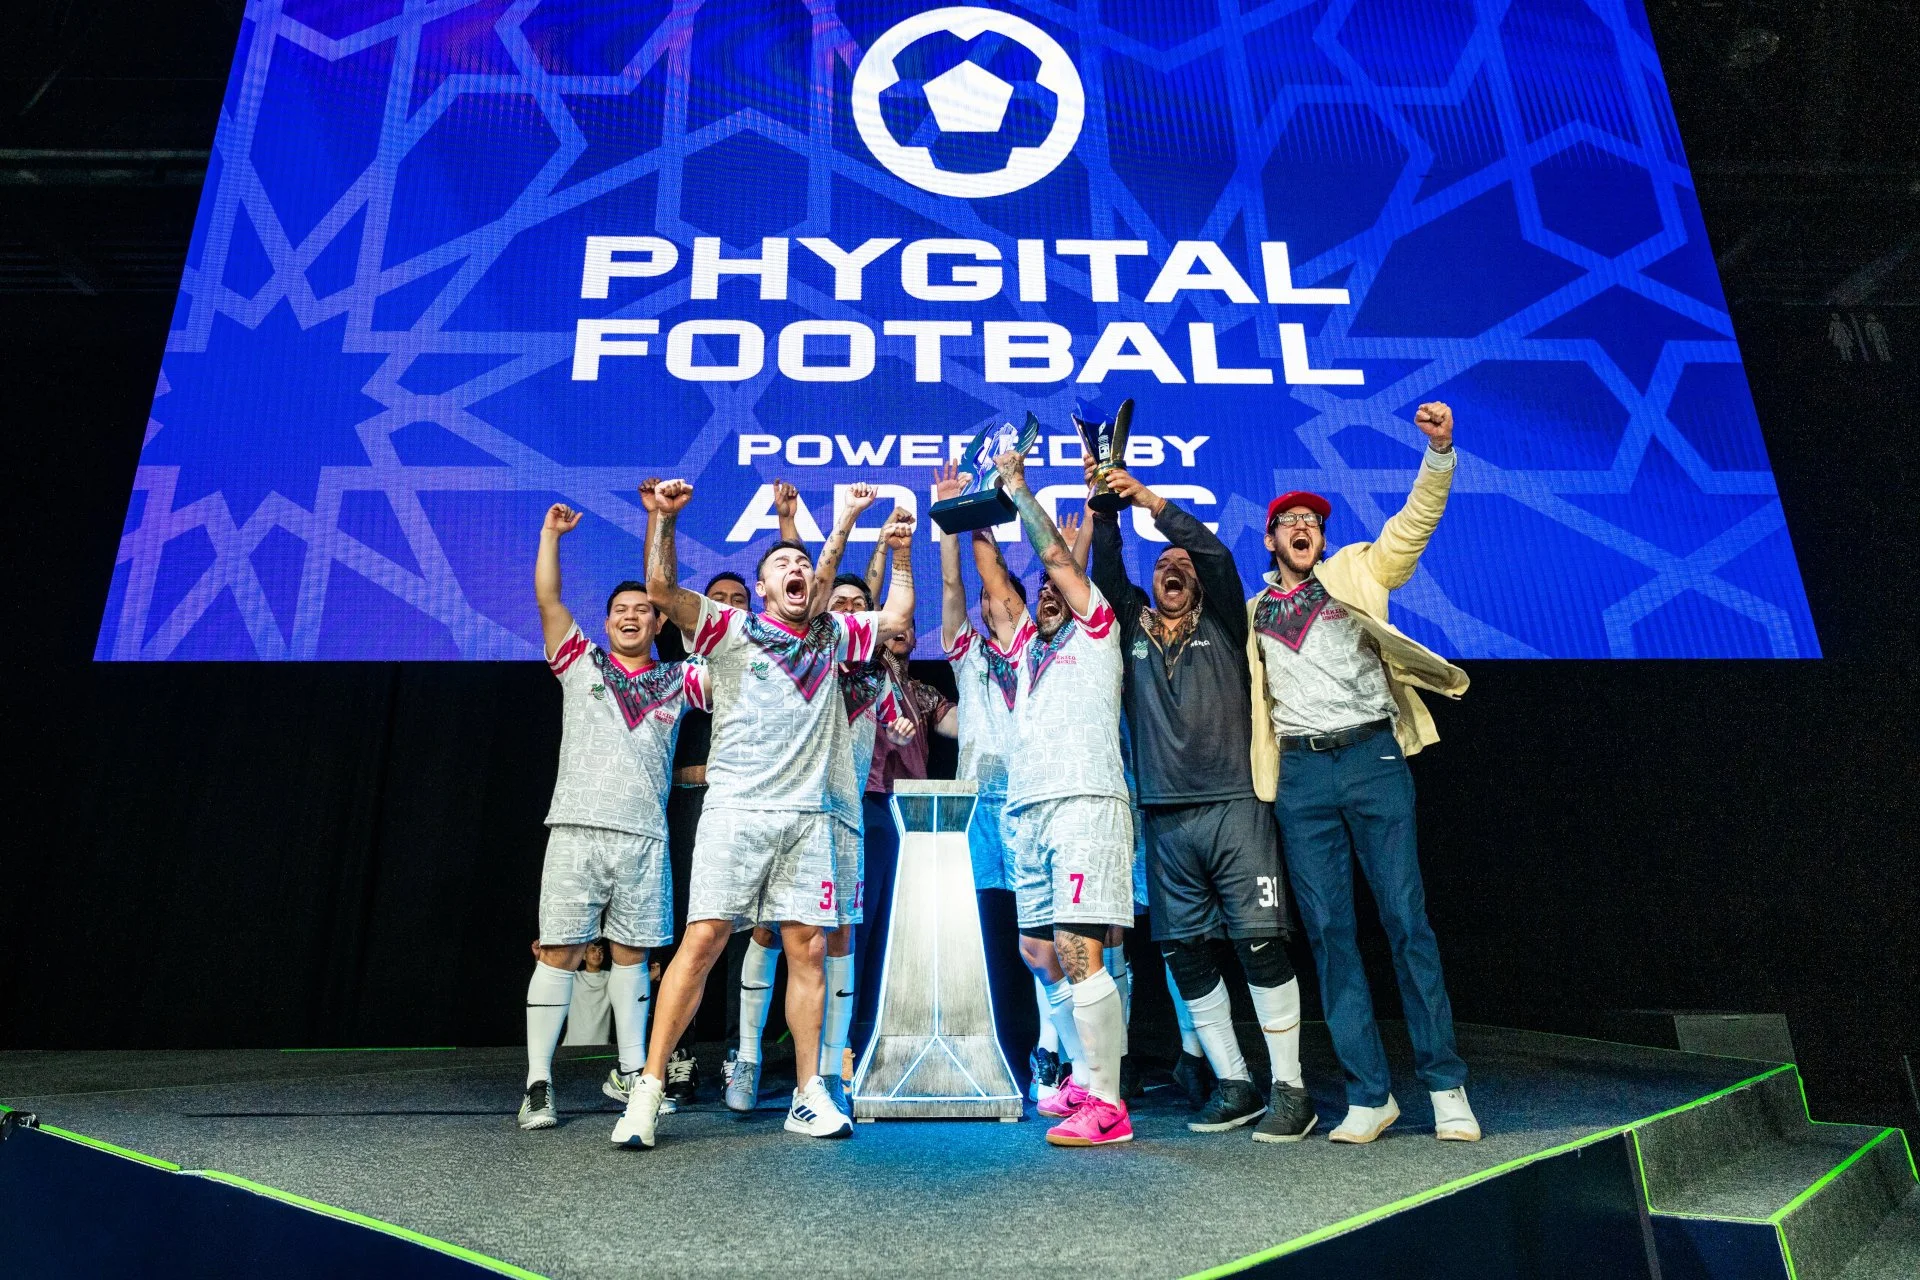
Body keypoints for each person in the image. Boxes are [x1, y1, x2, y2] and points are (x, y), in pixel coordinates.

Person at [613, 477, 915, 1148]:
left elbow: (896, 615)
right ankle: (649, 1089)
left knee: (809, 948)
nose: (796, 567)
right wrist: (664, 520)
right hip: (737, 813)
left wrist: (900, 550)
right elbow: (661, 590)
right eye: (783, 562)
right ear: (763, 587)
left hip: (808, 819)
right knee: (703, 943)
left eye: (802, 561)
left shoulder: (832, 636)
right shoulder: (732, 628)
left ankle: (808, 1093)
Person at [1248, 401, 1478, 1144]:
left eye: (1312, 521)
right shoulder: (1253, 612)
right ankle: (1370, 1095)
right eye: (1289, 521)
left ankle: (1445, 1086)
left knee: (1407, 921)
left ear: (1322, 536)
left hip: (1373, 758)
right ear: (1271, 539)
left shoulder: (1356, 571)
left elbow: (1413, 524)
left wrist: (1438, 454)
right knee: (1329, 933)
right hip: (1302, 776)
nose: (1303, 528)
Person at [1086, 462, 1316, 1143]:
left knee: (1258, 944)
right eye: (1163, 564)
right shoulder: (1130, 629)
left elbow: (1212, 553)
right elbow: (1107, 571)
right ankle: (1235, 1084)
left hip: (1234, 807)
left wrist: (1152, 504)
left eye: (1182, 565)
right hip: (1164, 815)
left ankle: (1292, 1090)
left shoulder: (1223, 620)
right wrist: (1105, 508)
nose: (1175, 567)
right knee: (1185, 952)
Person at [730, 498, 917, 1118]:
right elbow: (810, 584)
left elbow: (899, 728)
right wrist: (825, 529)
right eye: (839, 604)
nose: (849, 611)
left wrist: (895, 719)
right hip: (784, 808)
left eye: (859, 606)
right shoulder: (804, 653)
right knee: (766, 930)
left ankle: (832, 1070)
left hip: (843, 818)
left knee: (837, 938)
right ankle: (747, 1057)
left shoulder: (874, 677)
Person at [520, 504, 690, 1131]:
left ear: (658, 621)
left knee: (632, 957)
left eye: (643, 609)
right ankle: (538, 1083)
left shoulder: (680, 680)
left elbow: (681, 605)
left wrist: (661, 525)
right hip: (576, 829)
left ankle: (630, 1073)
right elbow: (548, 598)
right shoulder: (580, 663)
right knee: (559, 952)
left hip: (643, 837)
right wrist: (550, 536)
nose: (630, 615)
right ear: (607, 620)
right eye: (620, 609)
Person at [988, 446, 1136, 1147]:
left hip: (1084, 802)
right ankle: (1081, 1077)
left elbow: (1057, 561)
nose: (1049, 597)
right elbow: (999, 584)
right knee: (1044, 951)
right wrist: (971, 514)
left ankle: (1108, 1104)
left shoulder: (1099, 628)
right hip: (1031, 811)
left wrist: (1019, 491)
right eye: (1041, 594)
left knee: (1081, 948)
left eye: (1058, 592)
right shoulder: (1026, 650)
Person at [656, 568, 752, 1111]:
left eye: (739, 599)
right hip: (687, 807)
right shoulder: (676, 663)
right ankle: (679, 1053)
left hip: (744, 806)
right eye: (719, 599)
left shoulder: (759, 660)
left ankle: (740, 1052)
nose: (730, 606)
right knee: (687, 929)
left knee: (741, 932)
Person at [561, 939, 613, 1046]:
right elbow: (548, 977)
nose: (597, 954)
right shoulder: (574, 977)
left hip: (601, 1047)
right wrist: (538, 957)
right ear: (584, 956)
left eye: (601, 951)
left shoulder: (610, 977)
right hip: (573, 1045)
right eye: (593, 950)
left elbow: (635, 980)